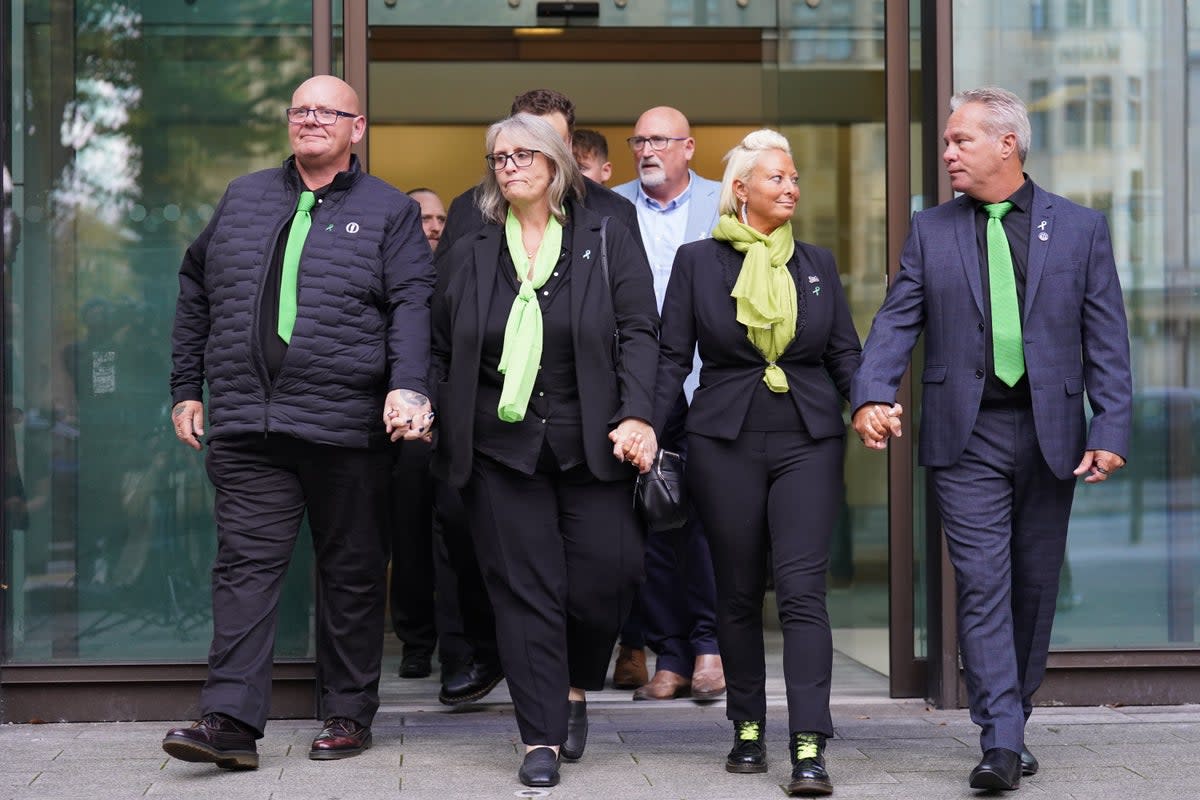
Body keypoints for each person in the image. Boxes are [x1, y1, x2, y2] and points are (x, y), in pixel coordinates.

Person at [851, 87, 1132, 791]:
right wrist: (872, 393)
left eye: (959, 141)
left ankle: (1014, 715)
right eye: (947, 142)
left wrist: (1112, 427)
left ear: (1008, 144)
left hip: (1053, 433)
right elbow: (895, 322)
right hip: (965, 435)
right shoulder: (931, 229)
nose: (946, 152)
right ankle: (999, 740)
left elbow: (1107, 339)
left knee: (1033, 589)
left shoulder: (1080, 229)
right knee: (980, 584)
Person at [163, 75, 436, 770]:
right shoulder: (244, 196)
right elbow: (195, 283)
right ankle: (228, 722)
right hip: (249, 425)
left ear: (357, 127)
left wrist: (407, 387)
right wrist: (186, 388)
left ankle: (346, 712)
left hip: (346, 425)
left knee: (349, 572)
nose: (311, 120)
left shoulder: (387, 210)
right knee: (245, 570)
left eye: (327, 112)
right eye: (301, 110)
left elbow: (412, 302)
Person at [431, 113, 659, 788]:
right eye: (498, 157)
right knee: (525, 592)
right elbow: (442, 341)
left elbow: (640, 330)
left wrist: (639, 413)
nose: (508, 165)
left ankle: (572, 684)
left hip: (593, 439)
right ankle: (540, 738)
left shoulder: (606, 234)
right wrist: (429, 406)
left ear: (557, 163)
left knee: (606, 578)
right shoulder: (472, 244)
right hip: (498, 446)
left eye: (523, 154)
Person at [654, 129, 860, 797]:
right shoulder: (696, 262)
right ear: (740, 190)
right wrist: (642, 425)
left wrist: (867, 403)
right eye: (777, 178)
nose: (791, 187)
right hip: (723, 440)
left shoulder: (818, 264)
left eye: (794, 178)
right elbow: (668, 359)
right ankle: (747, 726)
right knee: (737, 592)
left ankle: (808, 744)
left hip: (808, 439)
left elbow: (844, 356)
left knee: (802, 592)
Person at [611, 105, 725, 701]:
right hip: (637, 388)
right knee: (651, 521)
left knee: (708, 521)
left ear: (689, 147)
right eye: (639, 139)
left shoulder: (724, 200)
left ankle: (710, 647)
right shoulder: (608, 206)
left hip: (708, 385)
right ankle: (670, 655)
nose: (646, 150)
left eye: (660, 140)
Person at [387, 187, 448, 680]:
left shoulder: (461, 274)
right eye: (423, 217)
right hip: (399, 432)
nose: (432, 225)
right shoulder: (382, 274)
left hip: (453, 428)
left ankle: (458, 647)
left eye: (440, 218)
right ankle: (414, 641)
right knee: (407, 538)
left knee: (456, 539)